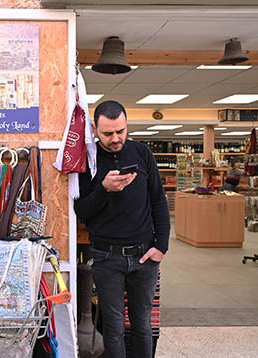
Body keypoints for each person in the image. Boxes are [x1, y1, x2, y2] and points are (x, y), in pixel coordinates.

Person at [74, 100, 170, 358]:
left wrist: (161, 246)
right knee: (114, 328)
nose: (116, 139)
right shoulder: (88, 159)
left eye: (121, 131)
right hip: (106, 257)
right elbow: (81, 211)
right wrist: (104, 189)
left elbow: (159, 201)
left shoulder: (142, 153)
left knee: (142, 326)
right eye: (108, 133)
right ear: (95, 129)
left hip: (144, 255)